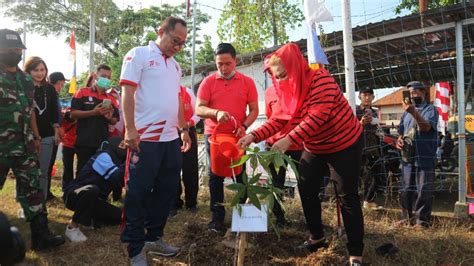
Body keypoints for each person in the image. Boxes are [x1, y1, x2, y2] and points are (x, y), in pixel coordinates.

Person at [238, 43, 364, 265]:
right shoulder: (286, 89)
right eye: (277, 77)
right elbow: (278, 119)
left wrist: (289, 140)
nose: (281, 80)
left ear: (295, 67)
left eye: (284, 75)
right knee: (306, 189)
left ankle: (355, 253)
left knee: (347, 196)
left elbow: (317, 117)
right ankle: (317, 238)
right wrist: (253, 136)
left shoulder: (320, 79)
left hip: (344, 143)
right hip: (315, 146)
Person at [119, 16, 191, 265]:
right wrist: (130, 130)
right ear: (161, 31)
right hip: (145, 138)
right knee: (138, 192)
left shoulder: (175, 66)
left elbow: (178, 100)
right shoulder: (138, 55)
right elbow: (127, 92)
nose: (178, 47)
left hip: (170, 139)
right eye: (175, 40)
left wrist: (183, 129)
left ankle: (155, 236)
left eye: (182, 43)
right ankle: (135, 246)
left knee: (168, 190)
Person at [0, 28, 64, 250]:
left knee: (34, 191)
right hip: (1, 147)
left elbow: (30, 112)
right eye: (9, 48)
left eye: (17, 48)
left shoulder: (26, 80)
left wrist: (36, 137)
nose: (14, 52)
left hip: (25, 146)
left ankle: (41, 235)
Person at [195, 43, 259, 234]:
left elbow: (254, 109)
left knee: (240, 174)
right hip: (214, 136)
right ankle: (217, 219)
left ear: (235, 61)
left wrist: (244, 126)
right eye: (219, 64)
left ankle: (243, 219)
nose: (223, 68)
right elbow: (199, 108)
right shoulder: (208, 82)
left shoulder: (247, 82)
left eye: (227, 63)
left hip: (238, 135)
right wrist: (215, 113)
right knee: (215, 176)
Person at [63, 136, 125, 242]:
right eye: (122, 145)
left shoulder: (118, 160)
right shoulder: (104, 156)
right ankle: (72, 227)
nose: (125, 148)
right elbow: (117, 177)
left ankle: (93, 219)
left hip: (96, 201)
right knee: (92, 190)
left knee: (121, 216)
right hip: (74, 195)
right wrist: (130, 164)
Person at [395, 81, 438, 229]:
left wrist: (413, 112)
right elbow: (401, 131)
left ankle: (422, 222)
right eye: (409, 93)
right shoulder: (405, 113)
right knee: (406, 189)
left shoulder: (431, 110)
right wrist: (399, 140)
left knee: (423, 190)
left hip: (425, 157)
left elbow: (426, 127)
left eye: (414, 92)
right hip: (408, 157)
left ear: (423, 92)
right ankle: (406, 218)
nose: (411, 95)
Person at [24, 57, 62, 201]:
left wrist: (56, 131)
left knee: (43, 171)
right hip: (26, 135)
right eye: (36, 70)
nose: (40, 73)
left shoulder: (49, 88)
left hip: (47, 134)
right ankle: (26, 203)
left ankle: (41, 202)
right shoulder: (22, 87)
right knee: (27, 172)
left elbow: (54, 112)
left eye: (42, 70)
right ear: (28, 71)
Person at [264, 85, 303, 226]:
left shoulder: (300, 88)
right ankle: (279, 218)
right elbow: (270, 118)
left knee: (305, 182)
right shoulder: (269, 92)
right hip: (276, 145)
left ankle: (310, 218)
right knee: (276, 183)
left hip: (299, 144)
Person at [70, 64, 119, 175]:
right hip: (84, 141)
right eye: (103, 76)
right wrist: (93, 112)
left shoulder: (111, 98)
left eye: (108, 77)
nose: (106, 79)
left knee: (98, 174)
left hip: (102, 142)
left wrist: (110, 118)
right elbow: (73, 114)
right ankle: (79, 192)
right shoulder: (82, 92)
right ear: (95, 76)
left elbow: (115, 120)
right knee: (82, 172)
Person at [170, 85, 201, 216]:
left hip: (188, 131)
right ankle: (174, 203)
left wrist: (188, 124)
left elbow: (197, 113)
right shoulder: (161, 91)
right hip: (169, 133)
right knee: (171, 168)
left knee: (190, 168)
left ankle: (191, 202)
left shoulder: (187, 92)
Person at [356, 87, 385, 209]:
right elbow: (347, 128)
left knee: (375, 175)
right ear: (359, 97)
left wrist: (381, 133)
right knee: (360, 176)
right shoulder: (354, 111)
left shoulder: (374, 112)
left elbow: (377, 130)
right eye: (364, 95)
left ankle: (368, 201)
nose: (367, 97)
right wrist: (360, 123)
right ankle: (362, 201)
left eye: (370, 95)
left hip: (373, 149)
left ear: (373, 97)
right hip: (358, 149)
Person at [46, 71, 66, 200]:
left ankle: (46, 191)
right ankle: (45, 193)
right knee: (46, 164)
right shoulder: (49, 95)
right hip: (48, 134)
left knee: (50, 163)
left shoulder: (54, 95)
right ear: (58, 83)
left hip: (54, 133)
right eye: (62, 84)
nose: (62, 87)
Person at [60, 107, 77, 191]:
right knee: (67, 168)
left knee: (78, 167)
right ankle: (66, 188)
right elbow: (61, 130)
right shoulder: (63, 116)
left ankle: (73, 187)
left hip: (77, 144)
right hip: (68, 144)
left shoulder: (79, 113)